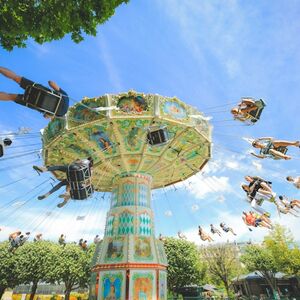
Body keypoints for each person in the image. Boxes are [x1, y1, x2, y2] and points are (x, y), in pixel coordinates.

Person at [0, 66, 69, 118]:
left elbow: (51, 83)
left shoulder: (66, 98)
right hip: (32, 102)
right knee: (11, 97)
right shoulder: (58, 114)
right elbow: (46, 116)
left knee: (16, 77)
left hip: (37, 89)